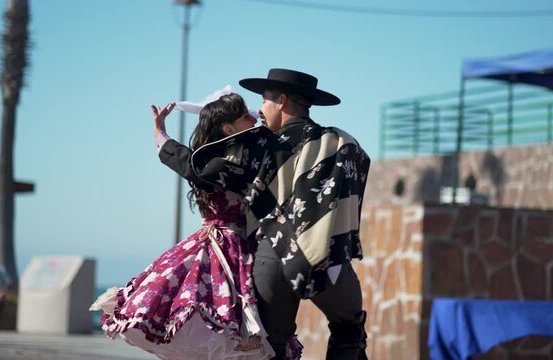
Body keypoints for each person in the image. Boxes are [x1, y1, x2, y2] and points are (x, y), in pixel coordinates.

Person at [90, 90, 301, 359]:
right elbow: (194, 167)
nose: (253, 117)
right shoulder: (222, 163)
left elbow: (192, 164)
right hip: (227, 250)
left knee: (231, 333)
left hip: (235, 248)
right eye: (245, 115)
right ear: (228, 127)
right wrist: (161, 134)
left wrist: (161, 135)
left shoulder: (241, 155)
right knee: (221, 330)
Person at [236, 68, 371, 359]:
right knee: (349, 328)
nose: (260, 109)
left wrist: (164, 141)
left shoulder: (260, 144)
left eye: (264, 100)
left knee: (273, 345)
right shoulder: (338, 142)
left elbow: (212, 173)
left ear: (281, 100)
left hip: (271, 252)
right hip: (324, 254)